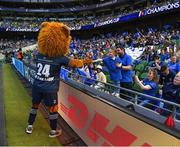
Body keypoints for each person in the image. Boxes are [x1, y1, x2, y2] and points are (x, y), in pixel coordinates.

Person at [25, 22, 92, 138]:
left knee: (34, 106)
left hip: (37, 85)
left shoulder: (39, 55)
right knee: (53, 109)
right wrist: (85, 61)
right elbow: (76, 64)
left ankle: (29, 126)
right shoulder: (61, 58)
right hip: (50, 89)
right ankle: (52, 131)